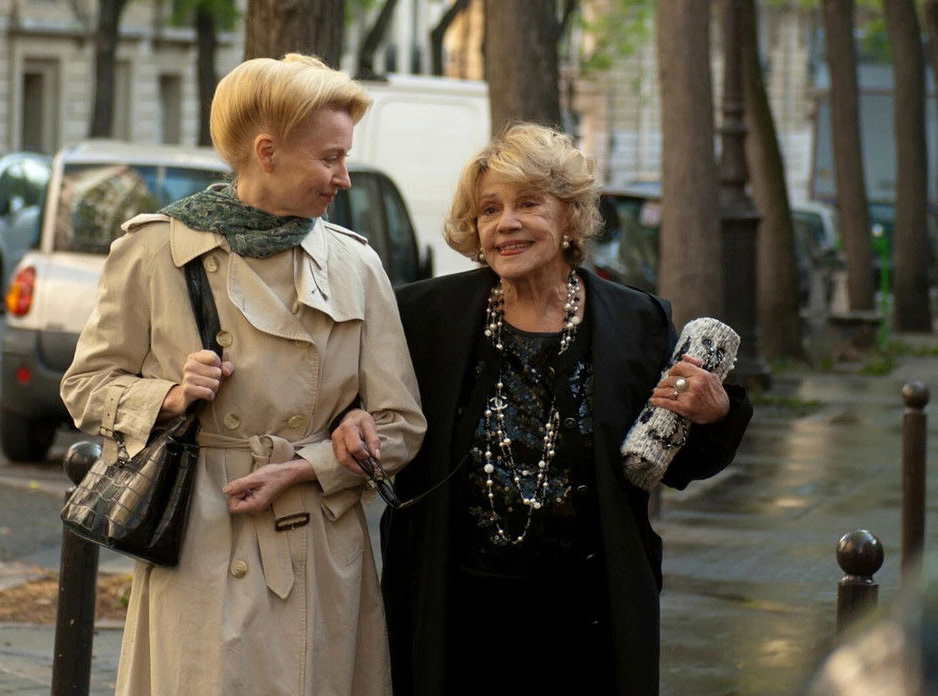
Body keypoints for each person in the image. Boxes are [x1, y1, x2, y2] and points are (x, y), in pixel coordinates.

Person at [332, 123, 753, 695]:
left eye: (528, 203)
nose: (505, 223)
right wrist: (354, 415)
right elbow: (356, 397)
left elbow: (677, 464)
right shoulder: (425, 316)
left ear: (570, 216)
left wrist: (714, 412)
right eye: (489, 209)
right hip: (455, 610)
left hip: (588, 615)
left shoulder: (636, 323)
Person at [61, 53, 426, 696]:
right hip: (203, 540)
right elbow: (85, 386)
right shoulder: (156, 250)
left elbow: (400, 425)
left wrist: (312, 464)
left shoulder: (356, 264)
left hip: (318, 545)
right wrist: (170, 395)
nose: (343, 178)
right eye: (330, 158)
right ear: (267, 151)